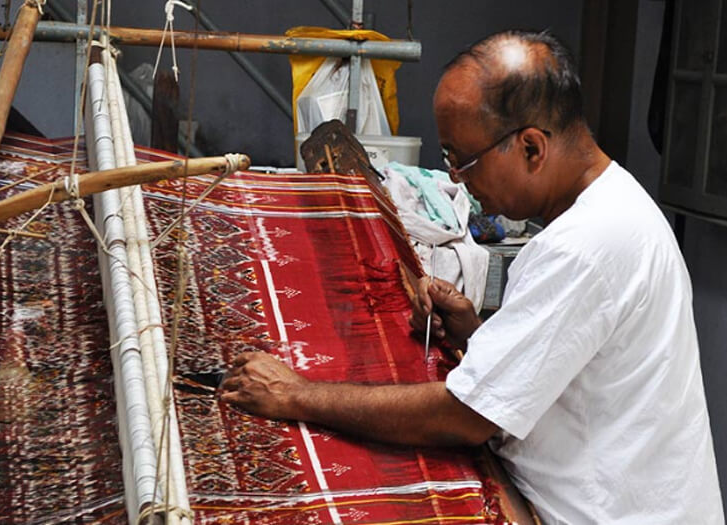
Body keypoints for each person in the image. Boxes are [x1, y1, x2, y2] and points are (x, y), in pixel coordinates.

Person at [221, 30, 724, 524]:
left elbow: (466, 415)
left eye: (462, 160)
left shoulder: (586, 243)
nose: (455, 179)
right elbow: (576, 367)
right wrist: (478, 335)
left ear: (531, 148)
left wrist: (296, 394)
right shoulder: (615, 202)